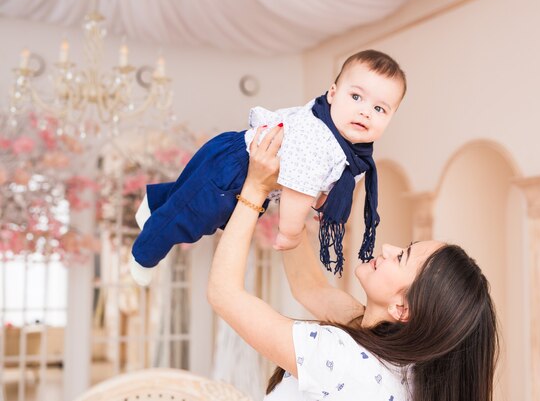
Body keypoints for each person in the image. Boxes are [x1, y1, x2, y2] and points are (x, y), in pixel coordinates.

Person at [207, 125, 499, 401]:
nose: (387, 248)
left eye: (401, 258)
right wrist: (292, 191)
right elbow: (310, 288)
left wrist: (255, 189)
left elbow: (224, 293)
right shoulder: (397, 364)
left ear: (402, 308)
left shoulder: (341, 357)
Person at [130, 49, 407, 286]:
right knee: (189, 219)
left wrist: (324, 201)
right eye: (356, 97)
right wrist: (290, 232)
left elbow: (326, 183)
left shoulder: (351, 150)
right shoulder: (319, 139)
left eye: (380, 109)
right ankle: (144, 254)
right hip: (232, 169)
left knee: (188, 195)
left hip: (233, 155)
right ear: (332, 94)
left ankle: (153, 203)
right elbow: (297, 193)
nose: (365, 111)